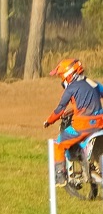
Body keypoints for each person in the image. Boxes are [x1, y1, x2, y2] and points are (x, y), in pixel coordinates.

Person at [44, 58, 103, 186]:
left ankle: (60, 177)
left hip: (82, 126)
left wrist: (49, 121)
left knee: (59, 143)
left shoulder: (70, 89)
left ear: (69, 74)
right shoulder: (93, 83)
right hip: (100, 123)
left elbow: (59, 110)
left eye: (61, 76)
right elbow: (86, 103)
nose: (62, 79)